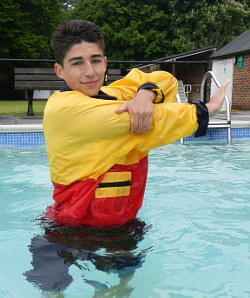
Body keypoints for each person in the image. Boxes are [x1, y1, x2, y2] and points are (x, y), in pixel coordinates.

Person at [43, 19, 230, 228]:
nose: (90, 72)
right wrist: (207, 109)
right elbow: (157, 120)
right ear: (59, 70)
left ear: (105, 62)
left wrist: (145, 93)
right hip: (70, 231)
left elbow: (165, 79)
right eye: (77, 63)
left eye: (95, 60)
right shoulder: (65, 109)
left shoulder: (112, 94)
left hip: (122, 225)